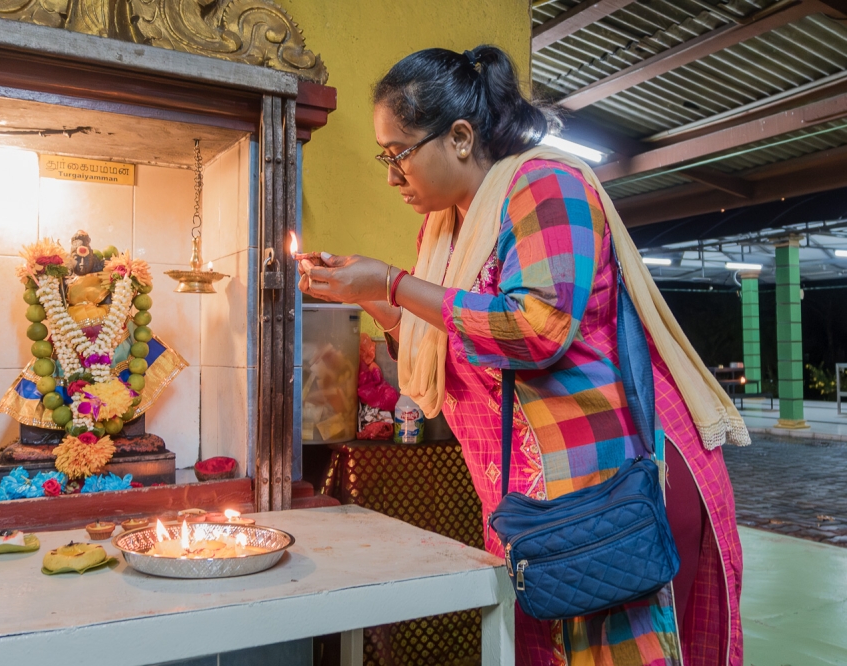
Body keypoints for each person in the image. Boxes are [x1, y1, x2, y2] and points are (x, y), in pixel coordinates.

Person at [296, 46, 745, 665]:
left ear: (458, 137)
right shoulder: (447, 226)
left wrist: (393, 283)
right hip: (530, 497)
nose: (392, 176)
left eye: (399, 154)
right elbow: (442, 344)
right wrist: (368, 296)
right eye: (385, 157)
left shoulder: (546, 183)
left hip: (608, 482)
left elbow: (539, 326)